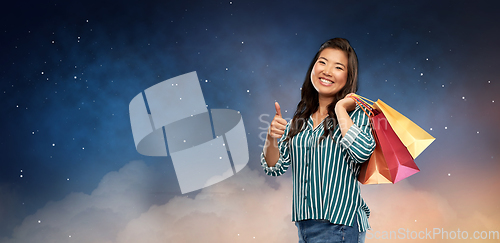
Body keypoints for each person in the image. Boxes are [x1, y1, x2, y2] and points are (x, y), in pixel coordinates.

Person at [261, 38, 375, 243]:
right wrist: (271, 137)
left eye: (338, 67)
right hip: (304, 226)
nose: (327, 71)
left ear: (348, 77)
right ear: (313, 67)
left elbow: (362, 153)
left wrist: (341, 108)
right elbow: (274, 168)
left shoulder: (355, 116)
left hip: (339, 225)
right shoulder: (299, 121)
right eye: (323, 62)